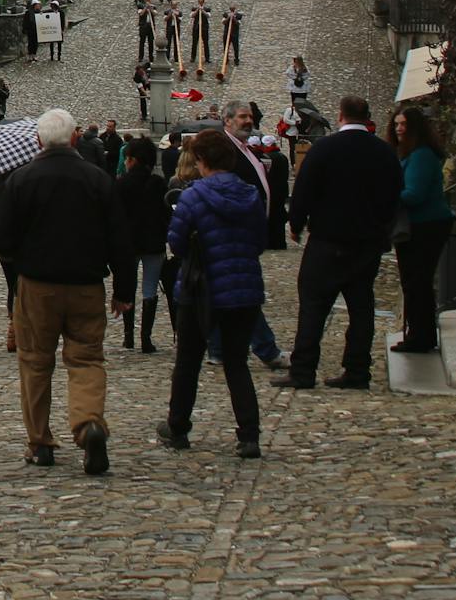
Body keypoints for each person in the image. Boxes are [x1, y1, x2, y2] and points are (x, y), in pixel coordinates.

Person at [0, 109, 121, 473]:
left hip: (38, 285)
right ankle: (88, 422)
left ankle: (40, 442)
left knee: (35, 362)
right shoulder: (98, 179)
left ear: (38, 141)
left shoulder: (21, 180)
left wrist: (18, 261)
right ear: (75, 138)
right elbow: (119, 237)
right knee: (87, 359)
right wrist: (122, 288)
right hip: (86, 284)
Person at [155, 132, 268, 458]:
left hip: (200, 287)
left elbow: (175, 243)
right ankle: (249, 435)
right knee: (237, 362)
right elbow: (260, 240)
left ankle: (178, 426)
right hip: (243, 286)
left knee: (188, 361)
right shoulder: (250, 195)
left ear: (202, 162)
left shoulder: (192, 197)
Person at [278, 95, 403, 391]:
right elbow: (395, 193)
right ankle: (357, 370)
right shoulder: (384, 153)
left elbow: (304, 188)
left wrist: (296, 224)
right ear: (367, 116)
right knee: (361, 308)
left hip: (327, 240)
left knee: (313, 306)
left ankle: (303, 370)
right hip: (367, 242)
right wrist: (382, 227)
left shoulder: (324, 149)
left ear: (340, 116)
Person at [212, 102, 286, 370]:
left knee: (228, 293)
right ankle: (266, 349)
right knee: (244, 294)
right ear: (227, 120)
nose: (248, 121)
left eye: (250, 117)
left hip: (245, 231)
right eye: (242, 117)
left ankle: (218, 348)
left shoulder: (244, 148)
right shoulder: (226, 150)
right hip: (234, 232)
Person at [391, 104, 454, 354]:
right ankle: (419, 332)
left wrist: (386, 196)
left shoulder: (421, 155)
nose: (398, 129)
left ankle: (420, 335)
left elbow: (414, 194)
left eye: (403, 125)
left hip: (425, 225)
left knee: (417, 281)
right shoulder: (412, 154)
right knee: (415, 281)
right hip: (421, 224)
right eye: (396, 124)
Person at [116, 140, 169, 352]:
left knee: (129, 287)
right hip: (153, 242)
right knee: (150, 289)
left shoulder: (121, 184)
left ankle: (128, 336)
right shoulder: (157, 183)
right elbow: (165, 213)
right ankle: (146, 338)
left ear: (132, 160)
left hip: (129, 244)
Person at [185, 0, 213, 79]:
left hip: (204, 27)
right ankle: (193, 57)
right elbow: (192, 15)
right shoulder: (194, 8)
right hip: (196, 28)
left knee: (206, 42)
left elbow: (208, 16)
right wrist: (197, 10)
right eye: (199, 1)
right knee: (194, 42)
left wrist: (202, 10)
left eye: (201, 2)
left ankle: (207, 58)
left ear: (203, 2)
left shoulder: (207, 9)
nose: (200, 3)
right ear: (198, 2)